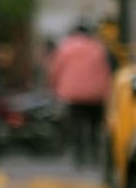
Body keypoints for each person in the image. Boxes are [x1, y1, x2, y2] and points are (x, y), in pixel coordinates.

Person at [47, 23, 113, 168]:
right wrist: (107, 91)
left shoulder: (66, 47)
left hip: (73, 94)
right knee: (94, 126)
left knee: (77, 125)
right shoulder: (98, 47)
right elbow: (106, 70)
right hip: (96, 94)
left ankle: (79, 157)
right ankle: (94, 155)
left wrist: (53, 86)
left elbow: (55, 69)